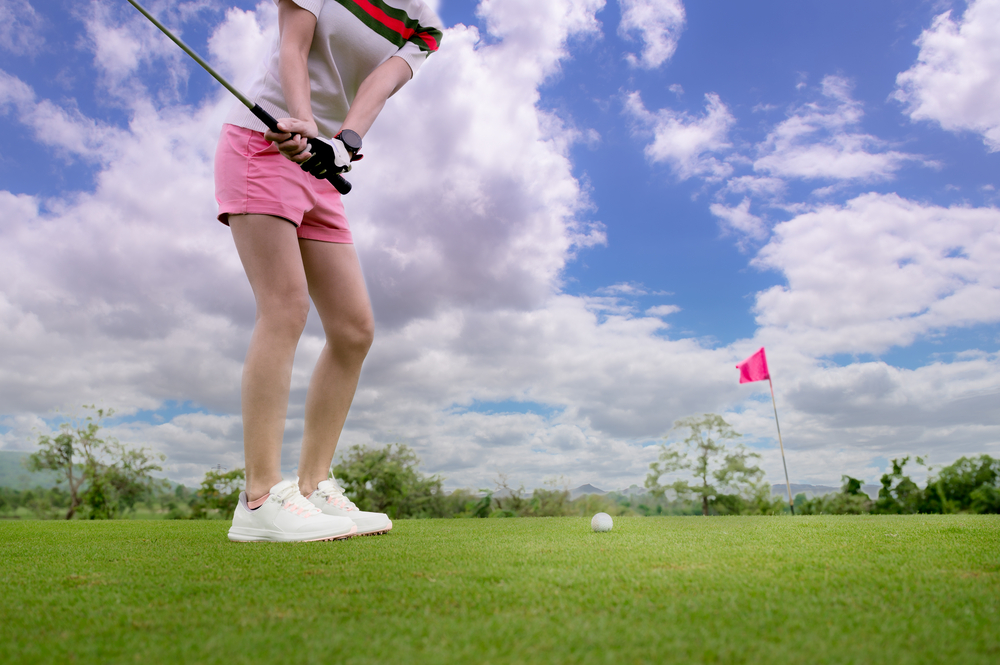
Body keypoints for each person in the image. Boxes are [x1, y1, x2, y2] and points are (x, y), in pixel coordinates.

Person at [215, 0, 443, 542]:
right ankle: (260, 498)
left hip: (318, 165)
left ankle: (314, 486)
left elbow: (376, 89)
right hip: (264, 143)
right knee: (285, 307)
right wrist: (305, 124)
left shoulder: (426, 26)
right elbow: (293, 45)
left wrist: (343, 145)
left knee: (353, 329)